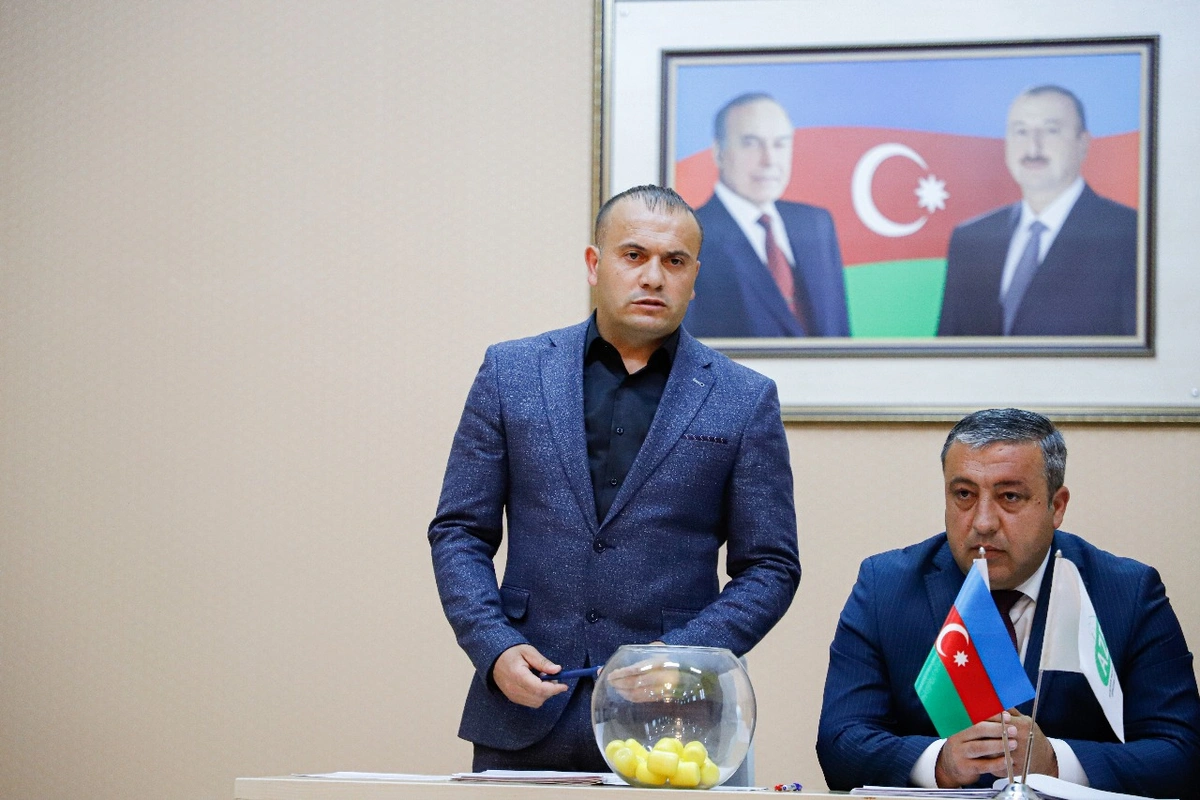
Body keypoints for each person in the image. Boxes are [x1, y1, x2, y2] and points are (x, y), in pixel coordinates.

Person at [429, 185, 801, 772]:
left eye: (674, 261)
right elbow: (459, 531)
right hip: (524, 710)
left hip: (675, 727)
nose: (653, 276)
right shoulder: (511, 372)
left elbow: (771, 565)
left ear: (694, 278)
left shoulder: (743, 397)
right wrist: (494, 646)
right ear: (594, 264)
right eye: (634, 255)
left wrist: (685, 656)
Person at [816, 408, 1200, 796]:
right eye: (964, 495)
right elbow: (839, 743)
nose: (983, 522)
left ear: (1057, 506)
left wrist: (1055, 762)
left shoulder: (1128, 593)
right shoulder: (886, 587)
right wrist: (940, 763)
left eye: (1010, 497)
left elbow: (1183, 754)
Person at [938, 86, 1138, 337]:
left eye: (1051, 130)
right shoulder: (971, 239)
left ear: (1083, 144)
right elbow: (948, 350)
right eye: (1021, 131)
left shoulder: (1130, 234)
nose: (1033, 148)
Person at [683, 93, 850, 338]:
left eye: (780, 144)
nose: (769, 160)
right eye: (751, 143)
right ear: (719, 152)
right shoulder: (690, 234)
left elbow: (840, 335)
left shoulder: (816, 223)